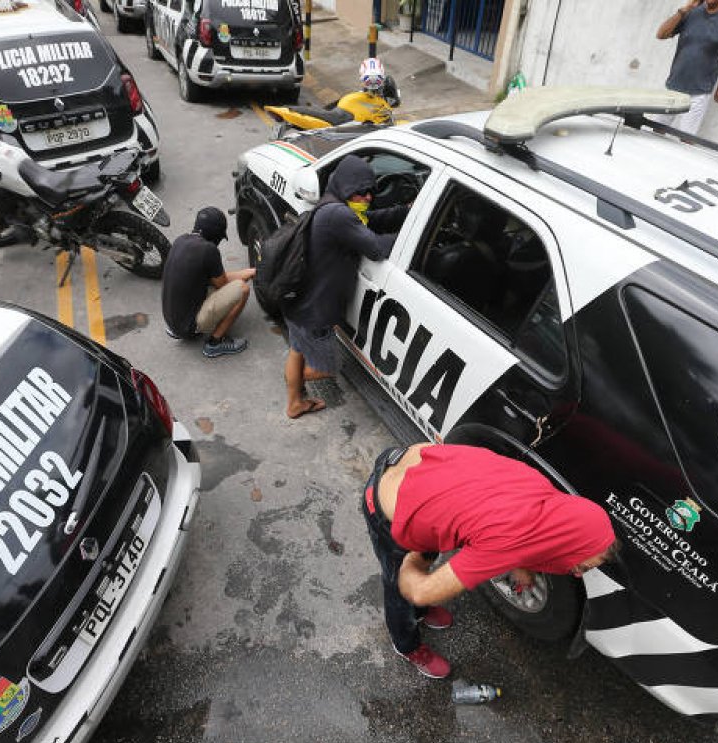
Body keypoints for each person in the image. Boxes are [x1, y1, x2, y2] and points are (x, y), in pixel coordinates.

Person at [362, 443, 619, 678]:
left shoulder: (544, 493)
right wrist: (412, 563)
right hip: (384, 508)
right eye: (582, 566)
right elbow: (421, 590)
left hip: (408, 463)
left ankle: (419, 615)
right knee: (400, 590)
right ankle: (406, 644)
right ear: (569, 545)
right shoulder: (507, 539)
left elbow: (520, 531)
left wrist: (520, 565)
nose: (577, 573)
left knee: (427, 558)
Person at [283, 155, 407, 418]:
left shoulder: (332, 203)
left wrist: (406, 212)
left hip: (296, 299)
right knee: (327, 368)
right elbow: (375, 248)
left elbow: (370, 219)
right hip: (315, 310)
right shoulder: (339, 214)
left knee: (297, 349)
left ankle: (294, 403)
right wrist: (416, 233)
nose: (368, 197)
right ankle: (302, 385)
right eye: (361, 192)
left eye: (370, 191)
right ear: (347, 187)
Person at [162, 207, 256, 358]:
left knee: (216, 283)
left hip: (172, 321)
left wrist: (251, 272)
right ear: (215, 234)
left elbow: (220, 279)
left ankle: (180, 327)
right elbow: (223, 285)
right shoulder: (208, 250)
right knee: (242, 289)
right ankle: (214, 343)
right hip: (188, 327)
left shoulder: (180, 241)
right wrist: (248, 275)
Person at [654, 0, 718, 135]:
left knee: (686, 140)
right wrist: (684, 10)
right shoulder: (692, 10)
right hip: (673, 86)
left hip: (699, 92)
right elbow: (661, 34)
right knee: (656, 132)